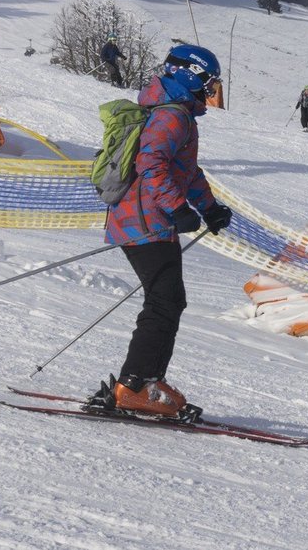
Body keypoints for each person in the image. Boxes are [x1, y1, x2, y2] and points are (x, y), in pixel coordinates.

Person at [91, 44, 233, 419]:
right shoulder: (173, 117)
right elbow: (152, 163)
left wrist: (209, 208)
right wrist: (176, 208)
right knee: (165, 300)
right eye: (209, 81)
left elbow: (186, 171)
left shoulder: (173, 112)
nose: (211, 90)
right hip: (146, 220)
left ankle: (140, 382)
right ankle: (136, 386)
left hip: (143, 218)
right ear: (190, 74)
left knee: (166, 299)